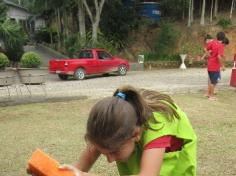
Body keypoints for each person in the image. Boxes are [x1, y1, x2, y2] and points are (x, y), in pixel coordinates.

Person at [57, 85, 197, 176]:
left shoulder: (159, 126)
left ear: (135, 134)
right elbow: (78, 169)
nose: (110, 160)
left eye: (114, 152)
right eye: (103, 152)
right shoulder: (110, 128)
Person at [204, 32, 228, 100]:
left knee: (211, 80)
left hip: (209, 64)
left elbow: (206, 49)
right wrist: (222, 65)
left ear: (216, 37)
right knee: (214, 82)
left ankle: (208, 94)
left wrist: (208, 55)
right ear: (223, 38)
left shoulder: (212, 42)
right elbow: (219, 56)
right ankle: (211, 96)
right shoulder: (220, 45)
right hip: (215, 66)